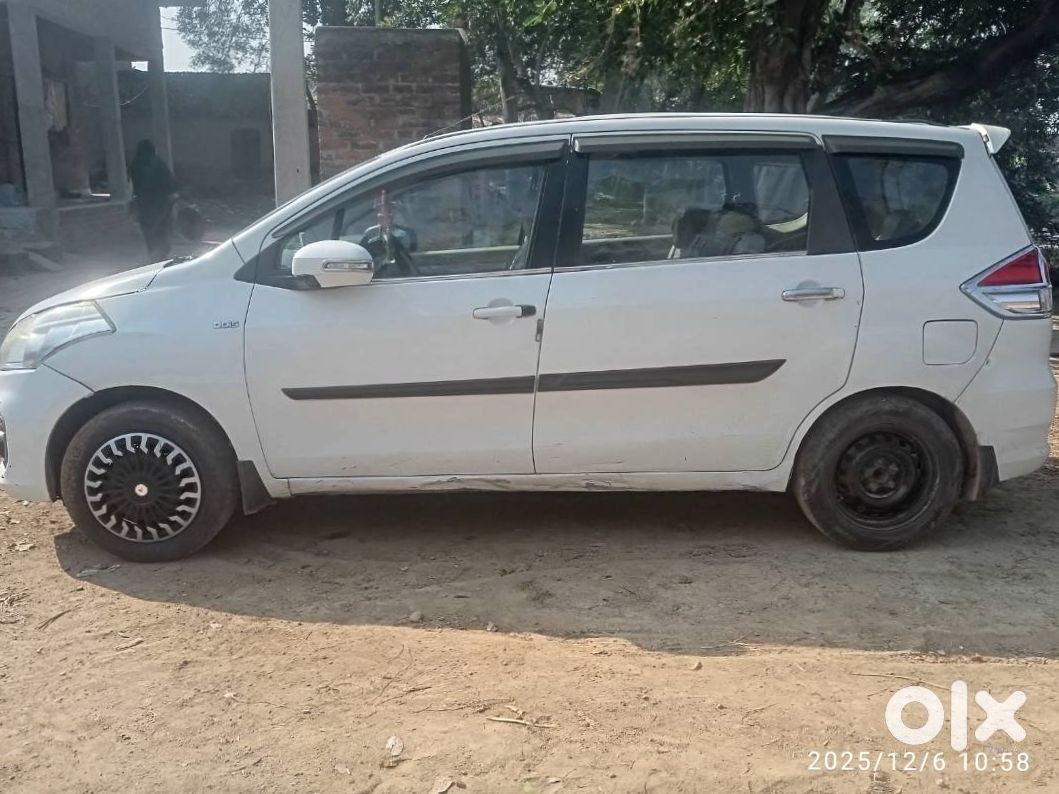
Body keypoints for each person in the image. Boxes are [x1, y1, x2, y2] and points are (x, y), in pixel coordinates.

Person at [128, 139, 177, 261]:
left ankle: (153, 254)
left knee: (149, 231)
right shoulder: (160, 164)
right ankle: (161, 255)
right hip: (162, 204)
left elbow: (132, 186)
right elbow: (171, 185)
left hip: (144, 205)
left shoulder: (135, 164)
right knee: (162, 229)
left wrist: (132, 203)